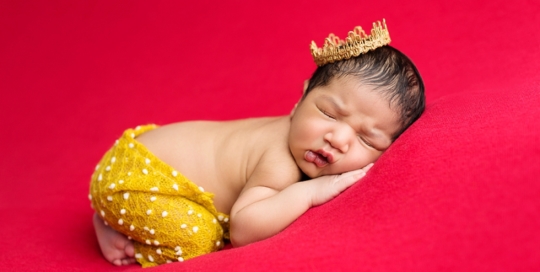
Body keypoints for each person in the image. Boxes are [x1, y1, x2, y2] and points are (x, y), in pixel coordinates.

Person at [89, 20, 425, 267]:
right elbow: (244, 230)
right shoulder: (281, 160)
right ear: (301, 99)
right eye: (328, 113)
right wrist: (306, 193)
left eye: (367, 138)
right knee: (198, 239)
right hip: (139, 180)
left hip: (148, 152)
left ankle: (114, 217)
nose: (337, 139)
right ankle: (117, 228)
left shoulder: (304, 141)